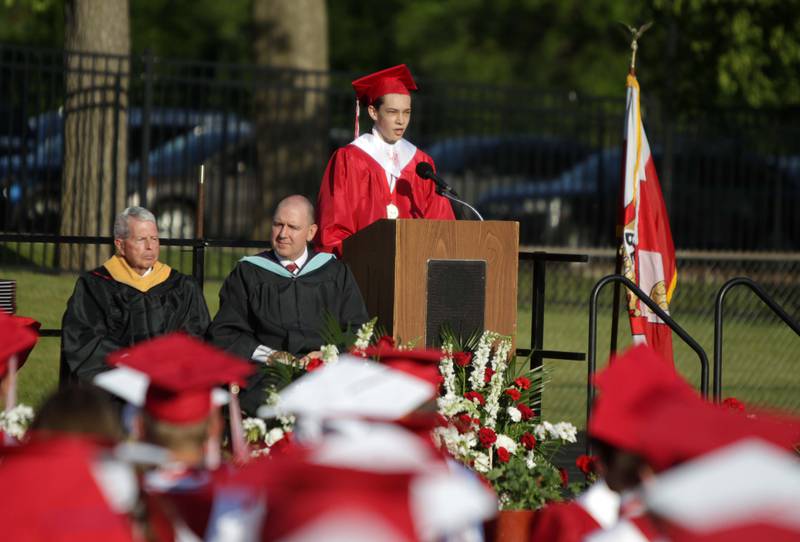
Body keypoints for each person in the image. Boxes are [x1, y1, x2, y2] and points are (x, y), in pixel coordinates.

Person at [208, 195, 369, 414]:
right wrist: (270, 355)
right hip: (268, 374)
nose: (283, 234)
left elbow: (357, 329)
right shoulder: (249, 273)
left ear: (311, 232)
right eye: (277, 225)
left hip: (325, 371)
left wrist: (328, 354)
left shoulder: (334, 272)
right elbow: (226, 333)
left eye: (292, 227)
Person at [316, 64, 455, 256]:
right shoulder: (349, 159)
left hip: (412, 269)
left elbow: (441, 225)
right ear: (373, 112)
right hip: (361, 271)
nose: (401, 120)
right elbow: (333, 227)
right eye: (392, 112)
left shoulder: (421, 163)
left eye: (406, 112)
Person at [61, 206, 211, 383]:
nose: (150, 247)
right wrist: (131, 361)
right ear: (120, 245)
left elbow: (197, 335)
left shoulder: (181, 286)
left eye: (154, 239)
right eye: (141, 239)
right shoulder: (95, 286)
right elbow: (84, 340)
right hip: (116, 385)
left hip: (169, 383)